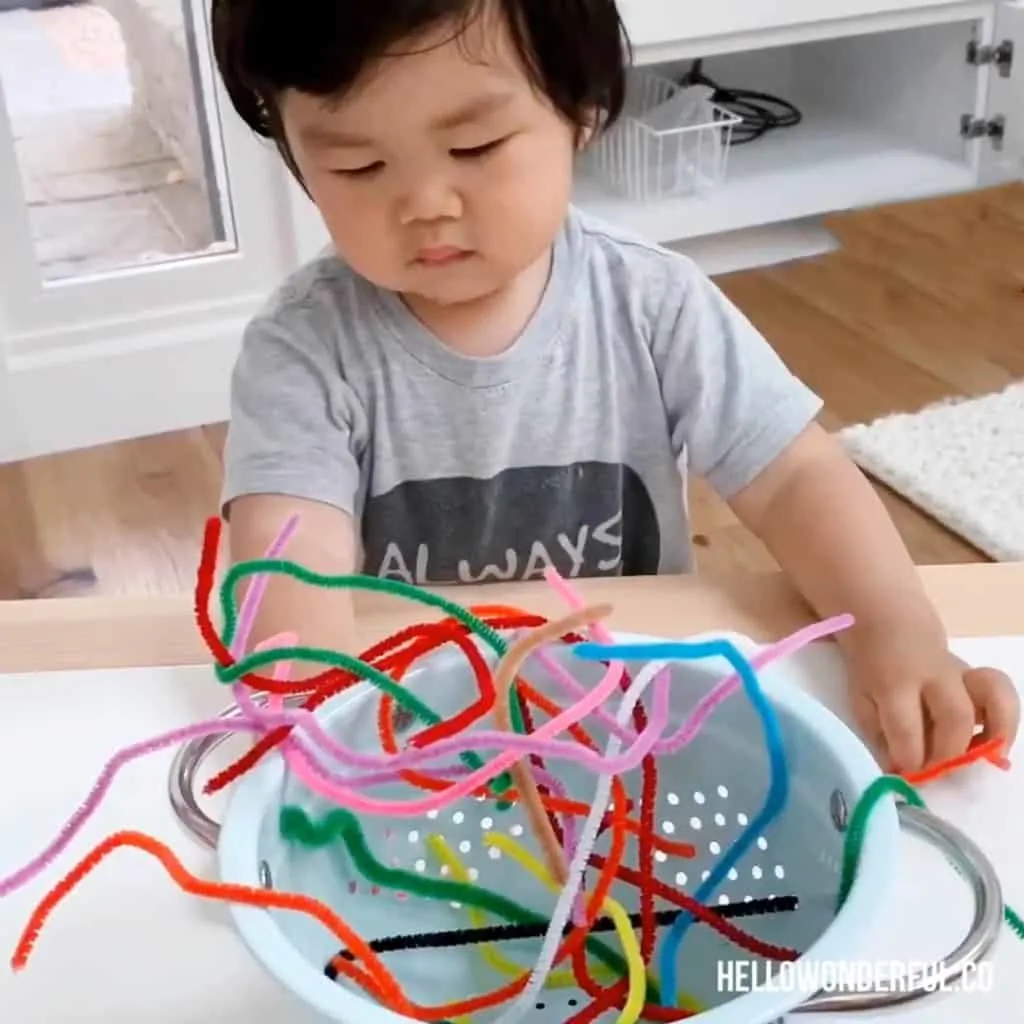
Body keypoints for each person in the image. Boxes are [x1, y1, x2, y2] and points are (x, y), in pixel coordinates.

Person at [209, 0, 1018, 773]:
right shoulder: (303, 350)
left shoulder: (653, 302)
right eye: (358, 165)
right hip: (416, 723)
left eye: (477, 147)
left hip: (634, 714)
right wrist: (307, 710)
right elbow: (292, 562)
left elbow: (795, 475)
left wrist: (893, 625)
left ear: (582, 110)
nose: (424, 203)